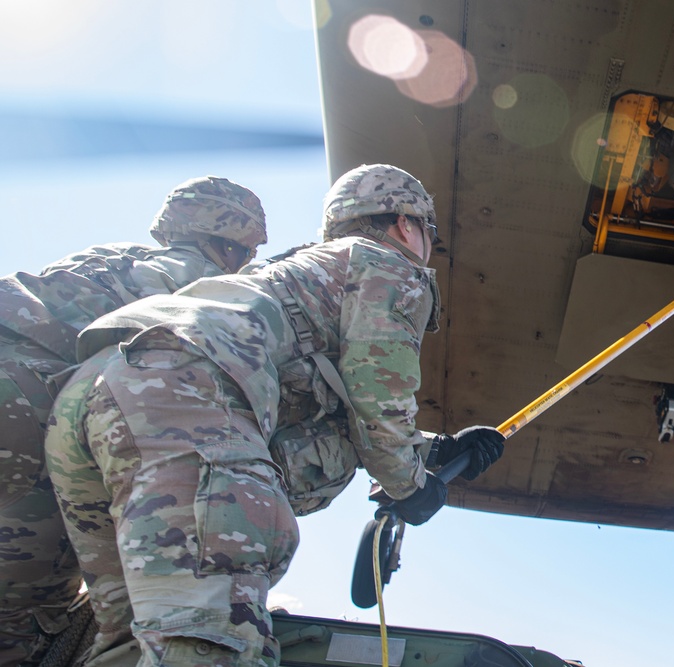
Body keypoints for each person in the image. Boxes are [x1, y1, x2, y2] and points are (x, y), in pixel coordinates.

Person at [44, 164, 505, 667]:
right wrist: (412, 486)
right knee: (212, 641)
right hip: (183, 396)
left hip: (92, 398)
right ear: (405, 225)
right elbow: (379, 403)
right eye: (428, 234)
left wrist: (434, 448)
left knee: (132, 641)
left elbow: (330, 404)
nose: (427, 247)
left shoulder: (299, 274)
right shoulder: (388, 265)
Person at [0, 175, 267, 666]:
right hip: (28, 406)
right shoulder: (202, 283)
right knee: (26, 620)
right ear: (237, 244)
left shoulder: (103, 258)